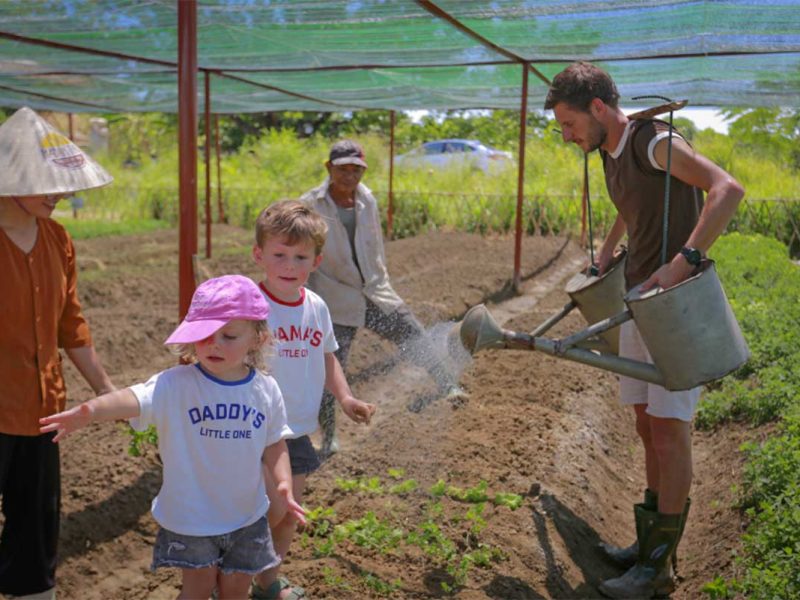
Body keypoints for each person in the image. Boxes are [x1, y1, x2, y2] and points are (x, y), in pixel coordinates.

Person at [544, 62, 744, 599]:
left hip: (677, 305)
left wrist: (683, 262)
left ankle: (658, 569)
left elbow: (727, 188)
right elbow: (635, 203)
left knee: (669, 430)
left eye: (569, 124)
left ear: (599, 109)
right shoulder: (610, 151)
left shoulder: (653, 142)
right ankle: (648, 541)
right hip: (640, 300)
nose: (566, 136)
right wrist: (610, 251)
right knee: (643, 421)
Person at [39, 275, 304, 600]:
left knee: (235, 589)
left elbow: (275, 442)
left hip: (246, 515)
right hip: (193, 516)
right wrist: (92, 410)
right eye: (204, 335)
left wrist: (283, 482)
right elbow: (133, 399)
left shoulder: (265, 389)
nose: (214, 344)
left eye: (228, 335)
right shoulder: (176, 384)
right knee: (198, 588)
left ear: (257, 339)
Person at [0, 106, 116, 600]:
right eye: (50, 183)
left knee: (36, 521)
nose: (64, 193)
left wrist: (107, 391)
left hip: (44, 411)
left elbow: (71, 324)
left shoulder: (57, 239)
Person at [300, 139, 466, 457]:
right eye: (342, 169)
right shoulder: (311, 205)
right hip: (335, 297)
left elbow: (373, 248)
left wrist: (381, 278)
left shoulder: (367, 199)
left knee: (414, 333)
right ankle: (329, 437)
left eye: (356, 169)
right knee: (329, 368)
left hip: (376, 291)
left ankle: (448, 386)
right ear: (328, 169)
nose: (350, 176)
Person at [250, 199, 376, 599]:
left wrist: (346, 397)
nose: (289, 265)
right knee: (260, 513)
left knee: (287, 516)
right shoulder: (251, 305)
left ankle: (267, 583)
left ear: (316, 261)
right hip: (253, 432)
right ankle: (230, 580)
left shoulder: (316, 308)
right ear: (259, 255)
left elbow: (327, 358)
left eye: (300, 257)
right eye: (279, 255)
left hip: (299, 431)